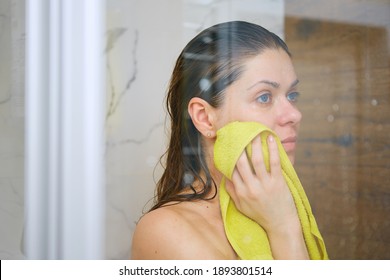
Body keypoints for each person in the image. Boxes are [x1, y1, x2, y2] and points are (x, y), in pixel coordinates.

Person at [131, 21, 308, 259]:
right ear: (205, 118)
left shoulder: (281, 202)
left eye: (292, 95)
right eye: (264, 97)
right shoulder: (166, 231)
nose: (294, 115)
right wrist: (284, 226)